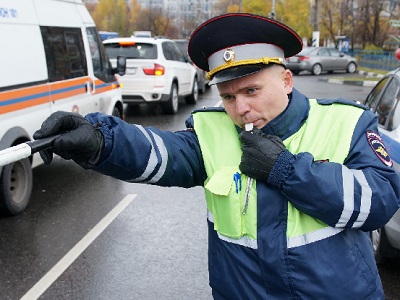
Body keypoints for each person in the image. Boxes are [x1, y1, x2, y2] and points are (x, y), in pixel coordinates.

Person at [33, 13, 400, 299]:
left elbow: (380, 200)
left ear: (286, 80)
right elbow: (162, 153)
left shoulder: (346, 122)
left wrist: (287, 171)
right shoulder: (214, 132)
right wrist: (100, 140)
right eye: (226, 96)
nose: (240, 109)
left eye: (252, 90)